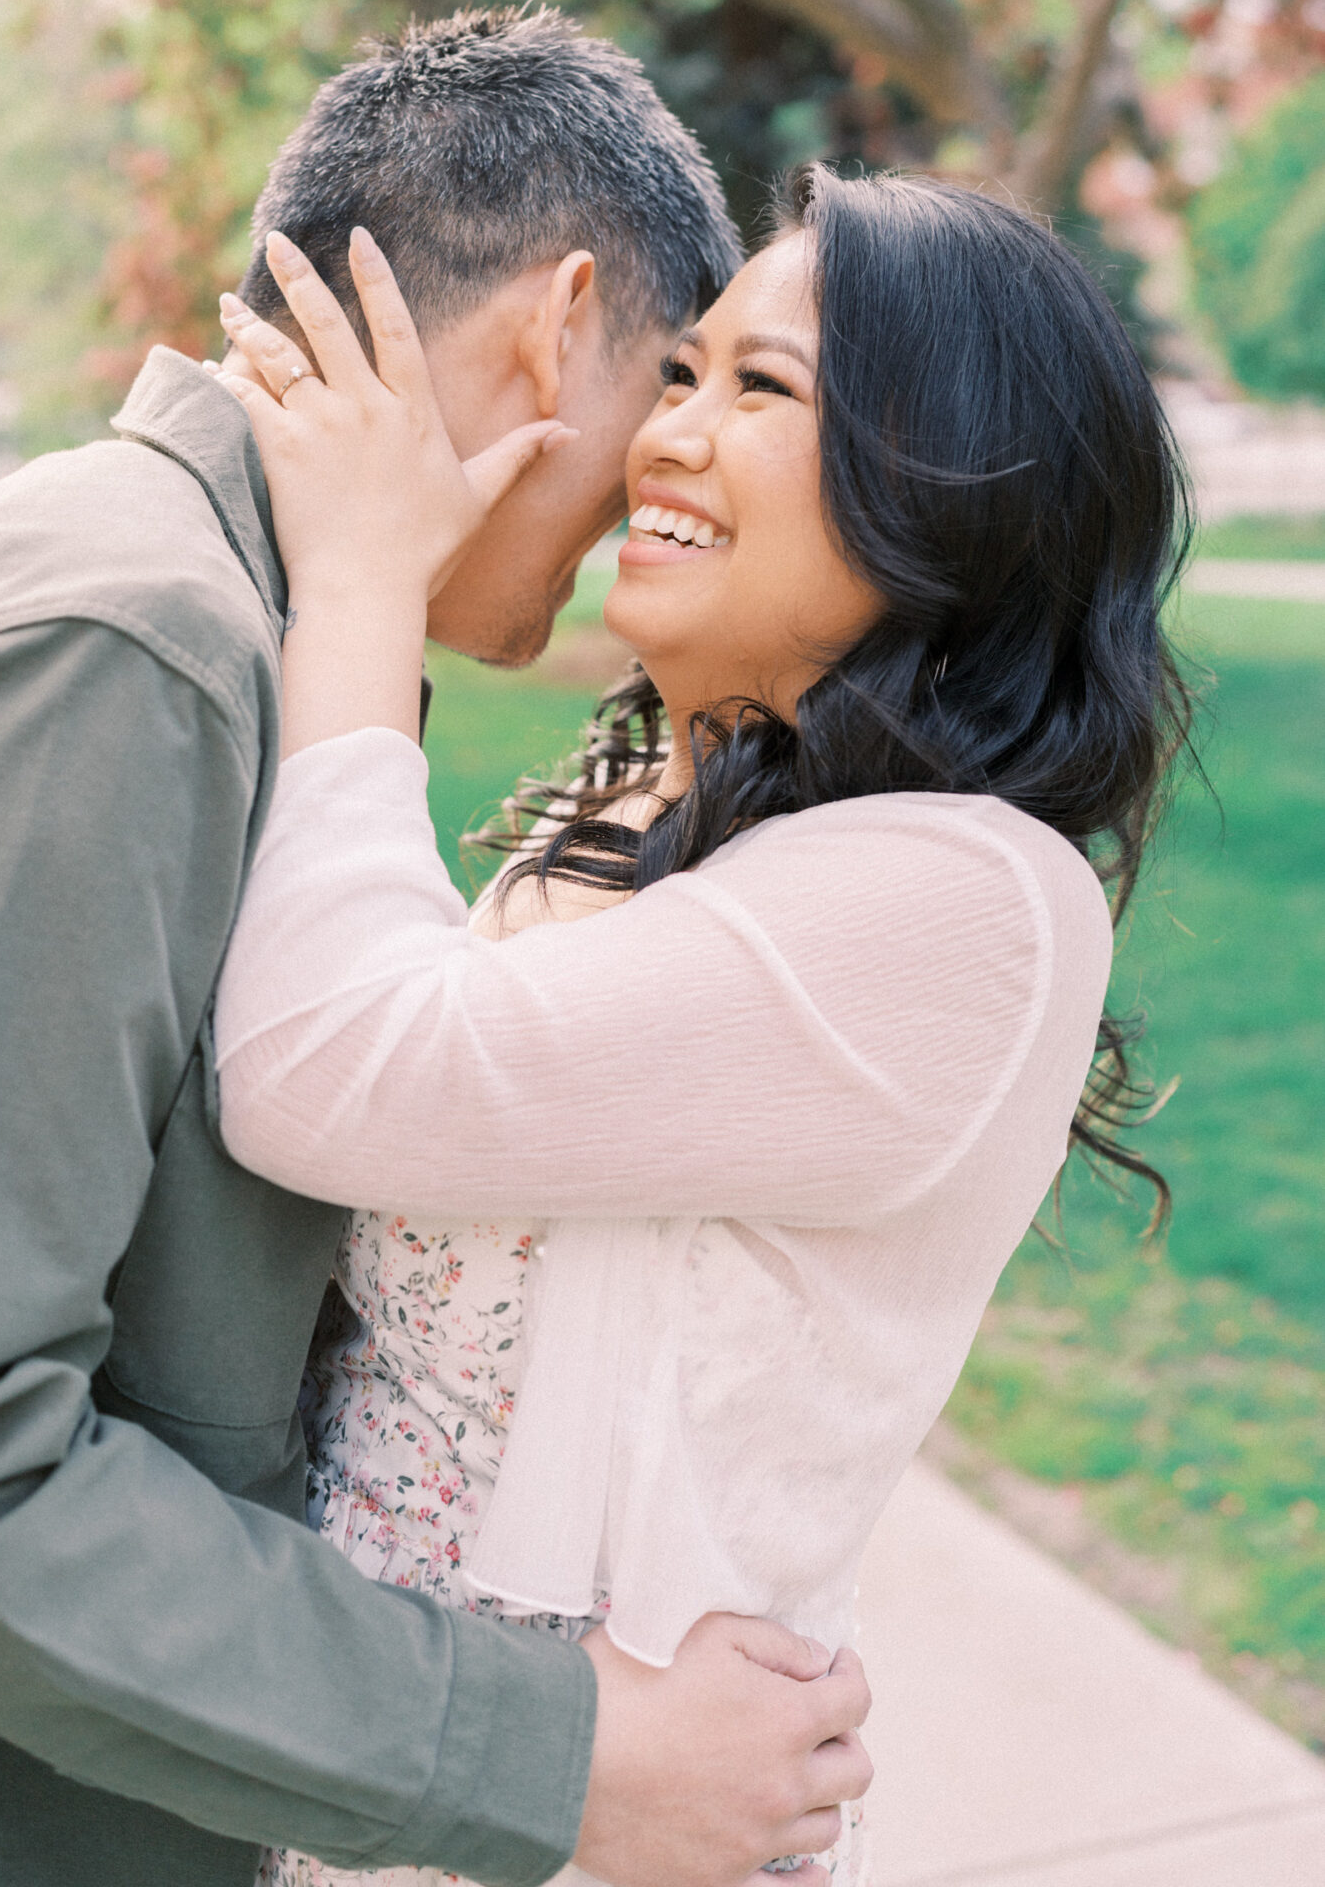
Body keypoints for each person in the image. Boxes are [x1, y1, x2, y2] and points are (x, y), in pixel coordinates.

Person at [0, 5, 872, 1887]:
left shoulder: (223, 635)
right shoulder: (124, 651)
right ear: (555, 331)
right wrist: (557, 1754)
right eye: (663, 392)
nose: (652, 487)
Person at [208, 161, 1194, 1887]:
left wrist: (366, 585)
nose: (667, 430)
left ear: (952, 487)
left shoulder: (964, 907)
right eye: (679, 373)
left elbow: (324, 1067)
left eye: (763, 387)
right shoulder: (651, 807)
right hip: (398, 1785)